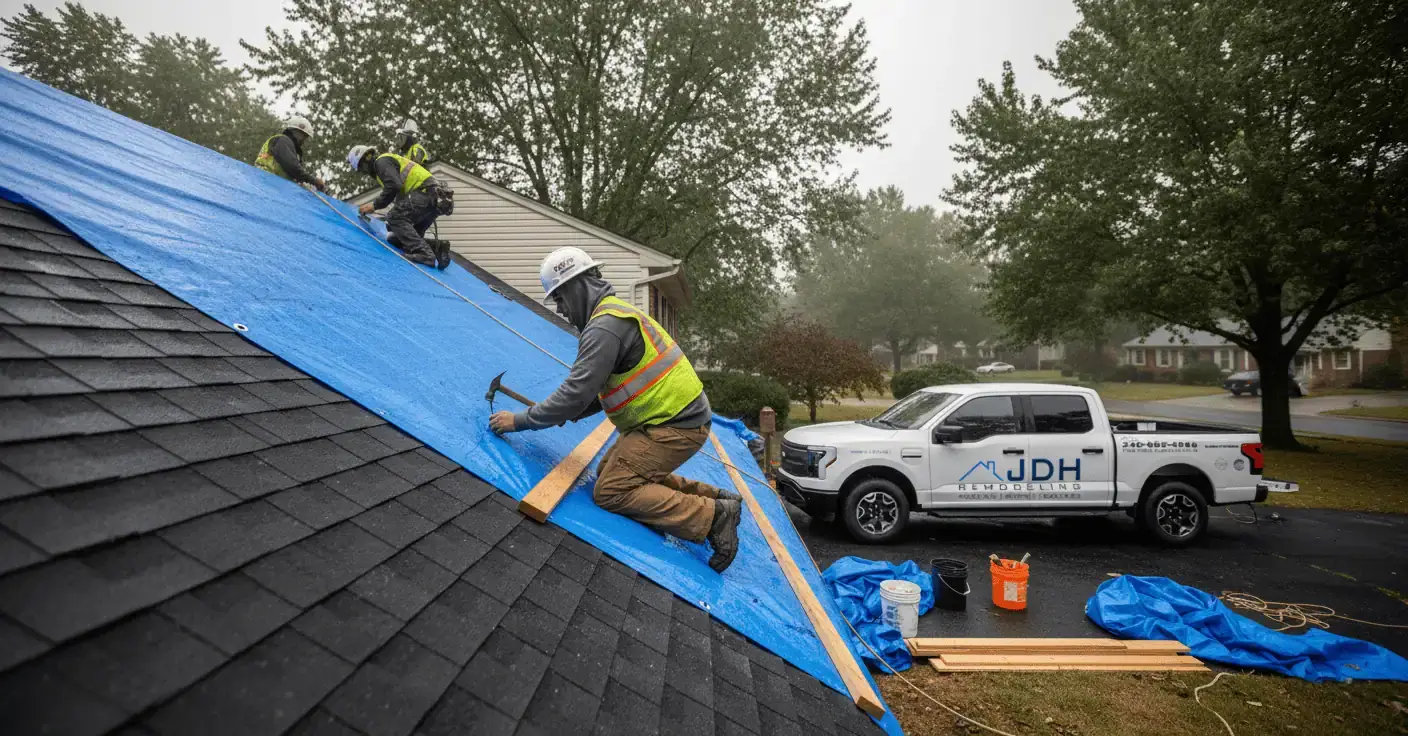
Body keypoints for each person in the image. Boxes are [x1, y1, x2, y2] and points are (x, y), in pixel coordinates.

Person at [489, 248, 742, 572]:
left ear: (575, 288)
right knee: (611, 468)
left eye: (560, 299)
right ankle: (719, 498)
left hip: (675, 426)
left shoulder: (604, 327)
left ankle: (712, 517)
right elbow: (594, 392)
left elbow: (575, 392)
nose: (562, 310)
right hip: (672, 419)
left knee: (611, 490)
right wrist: (573, 412)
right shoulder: (615, 314)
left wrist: (520, 421)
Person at [347, 144, 451, 270]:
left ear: (367, 160)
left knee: (394, 218)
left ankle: (426, 255)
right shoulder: (386, 168)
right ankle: (438, 249)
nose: (365, 172)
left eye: (362, 168)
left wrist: (374, 206)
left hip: (426, 192)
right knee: (397, 239)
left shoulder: (381, 162)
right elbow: (402, 196)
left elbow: (394, 186)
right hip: (434, 199)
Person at [254, 115, 327, 191]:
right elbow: (292, 167)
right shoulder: (283, 140)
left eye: (305, 137)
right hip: (267, 178)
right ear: (293, 131)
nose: (303, 140)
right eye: (302, 136)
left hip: (270, 181)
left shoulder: (289, 148)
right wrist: (313, 180)